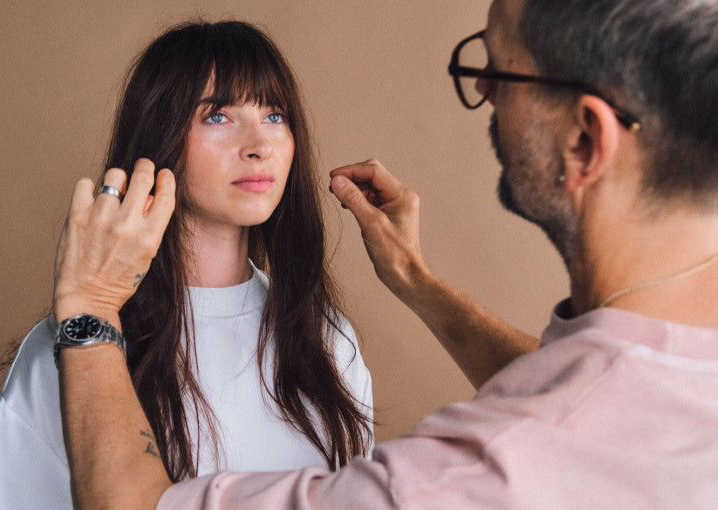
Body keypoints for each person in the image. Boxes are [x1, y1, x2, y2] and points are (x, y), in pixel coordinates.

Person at [55, 0, 718, 507]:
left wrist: (86, 310)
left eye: (499, 72)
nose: (484, 94)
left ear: (582, 141)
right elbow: (604, 407)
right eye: (218, 115)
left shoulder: (467, 474)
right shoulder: (671, 387)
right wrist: (414, 279)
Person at [0, 20, 374, 510]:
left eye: (275, 115)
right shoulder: (79, 346)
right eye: (217, 117)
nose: (258, 145)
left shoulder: (330, 339)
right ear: (160, 134)